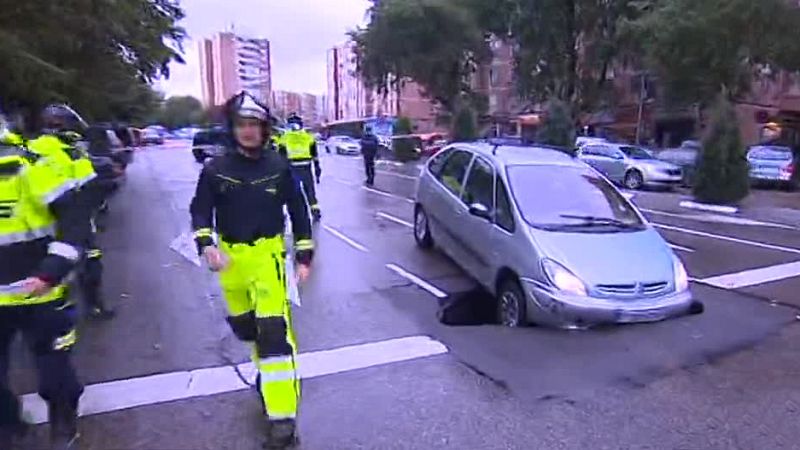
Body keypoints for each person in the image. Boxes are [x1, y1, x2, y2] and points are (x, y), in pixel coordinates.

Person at [190, 92, 314, 449]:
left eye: (254, 125)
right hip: (230, 262)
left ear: (264, 129)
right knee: (247, 331)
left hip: (268, 259)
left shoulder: (280, 166)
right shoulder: (215, 169)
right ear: (232, 129)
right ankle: (266, 379)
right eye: (241, 125)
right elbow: (200, 211)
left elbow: (300, 212)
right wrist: (206, 244)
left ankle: (282, 423)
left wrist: (303, 257)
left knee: (274, 338)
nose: (248, 131)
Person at [0, 113, 88, 449]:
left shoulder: (29, 165)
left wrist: (49, 272)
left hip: (41, 293)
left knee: (55, 373)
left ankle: (64, 422)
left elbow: (76, 222)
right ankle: (9, 424)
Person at [28, 105, 113, 320]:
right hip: (70, 221)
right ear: (62, 125)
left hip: (58, 221)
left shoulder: (36, 147)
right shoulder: (64, 151)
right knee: (82, 265)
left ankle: (79, 307)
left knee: (69, 265)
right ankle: (86, 309)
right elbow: (84, 186)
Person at [277, 114, 322, 221]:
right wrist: (317, 169)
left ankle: (285, 214)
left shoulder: (284, 139)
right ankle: (315, 210)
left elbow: (280, 157)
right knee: (310, 190)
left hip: (291, 168)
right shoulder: (308, 138)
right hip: (306, 167)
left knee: (290, 192)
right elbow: (315, 155)